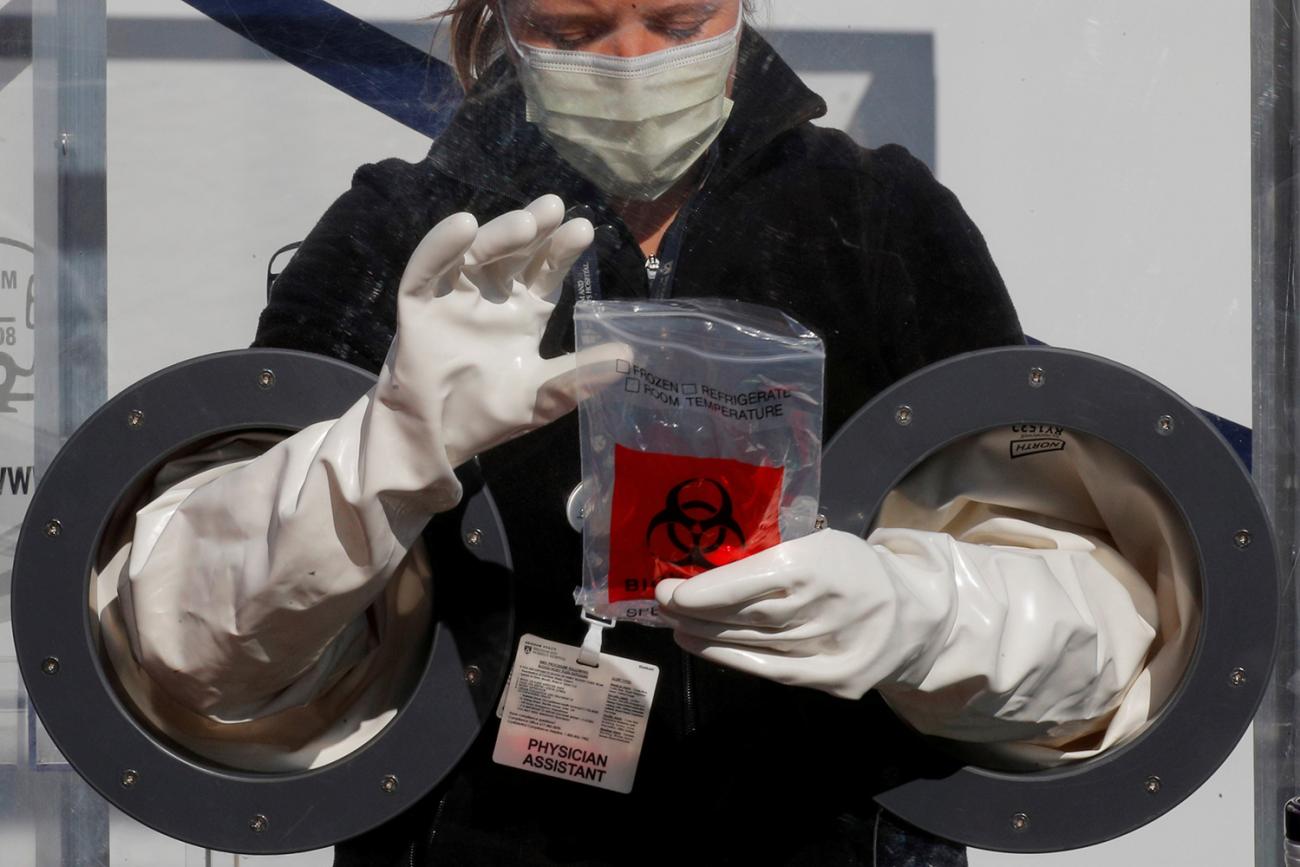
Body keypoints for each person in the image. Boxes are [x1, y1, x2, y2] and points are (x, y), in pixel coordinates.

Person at [93, 1, 1196, 864]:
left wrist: (914, 611)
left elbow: (1095, 612)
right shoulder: (405, 233)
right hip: (479, 841)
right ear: (506, 15)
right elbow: (190, 649)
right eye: (574, 30)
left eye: (677, 24)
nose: (629, 61)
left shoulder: (879, 222)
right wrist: (385, 450)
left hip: (824, 837)